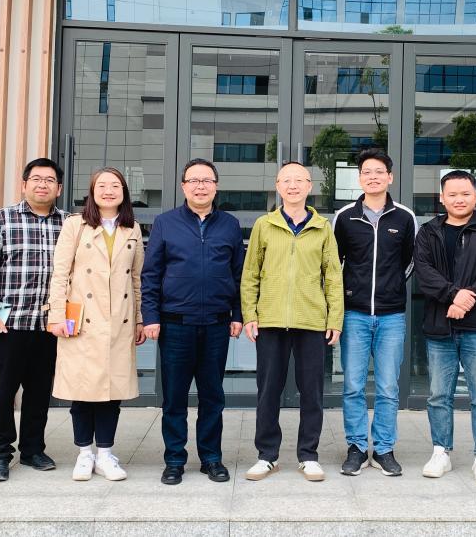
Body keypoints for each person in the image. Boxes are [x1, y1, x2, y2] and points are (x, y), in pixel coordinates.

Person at [141, 159, 245, 485]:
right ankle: (174, 460)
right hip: (175, 324)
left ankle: (211, 458)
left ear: (216, 186)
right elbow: (151, 274)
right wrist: (150, 316)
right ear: (183, 186)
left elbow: (238, 274)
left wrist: (238, 314)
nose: (201, 186)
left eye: (207, 180)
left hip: (216, 324)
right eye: (194, 181)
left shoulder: (229, 224)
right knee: (174, 398)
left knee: (212, 396)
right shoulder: (165, 223)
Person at [240, 161, 344, 483]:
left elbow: (333, 277)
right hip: (271, 319)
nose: (293, 186)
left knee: (311, 391)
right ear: (277, 186)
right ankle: (266, 455)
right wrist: (250, 314)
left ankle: (308, 455)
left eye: (300, 180)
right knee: (268, 390)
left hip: (311, 320)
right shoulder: (264, 225)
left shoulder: (323, 227)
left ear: (310, 186)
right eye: (287, 180)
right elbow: (250, 274)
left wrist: (335, 319)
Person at [46, 167, 146, 482]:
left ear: (124, 192)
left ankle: (105, 454)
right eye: (101, 185)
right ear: (92, 191)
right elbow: (60, 273)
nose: (108, 190)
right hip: (82, 321)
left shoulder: (132, 228)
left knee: (111, 392)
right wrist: (56, 315)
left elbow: (136, 279)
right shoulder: (75, 225)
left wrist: (139, 319)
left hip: (119, 321)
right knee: (82, 390)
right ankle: (84, 454)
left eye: (115, 185)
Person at [0, 158, 67, 481]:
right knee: (2, 391)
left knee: (39, 392)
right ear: (24, 184)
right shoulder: (3, 219)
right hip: (9, 324)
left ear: (59, 188)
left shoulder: (68, 223)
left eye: (49, 180)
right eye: (36, 179)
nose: (43, 185)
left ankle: (32, 449)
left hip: (49, 325)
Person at [414, 169, 476, 485]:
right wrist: (454, 295)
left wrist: (466, 301)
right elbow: (424, 273)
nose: (459, 199)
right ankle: (441, 451)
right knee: (439, 395)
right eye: (452, 194)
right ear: (442, 198)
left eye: (465, 194)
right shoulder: (428, 232)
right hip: (439, 325)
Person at [332, 149, 417, 477]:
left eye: (379, 171)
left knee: (387, 388)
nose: (373, 177)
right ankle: (356, 447)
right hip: (353, 314)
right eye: (367, 172)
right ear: (359, 178)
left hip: (391, 315)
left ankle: (383, 448)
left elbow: (410, 261)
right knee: (353, 385)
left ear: (390, 177)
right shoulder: (345, 217)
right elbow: (334, 263)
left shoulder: (404, 217)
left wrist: (392, 285)